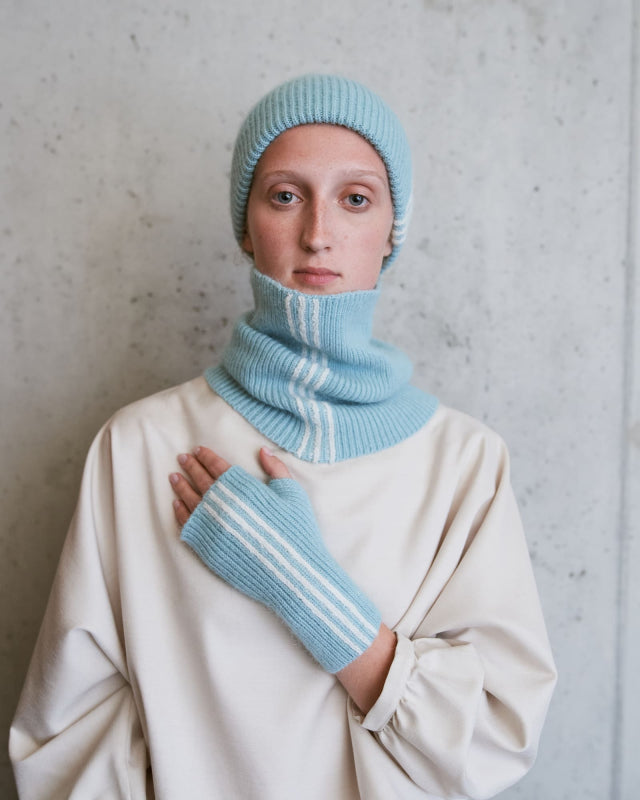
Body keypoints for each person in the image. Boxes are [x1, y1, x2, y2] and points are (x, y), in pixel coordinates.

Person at [9, 74, 557, 799]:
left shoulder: (464, 463)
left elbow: (492, 738)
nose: (318, 233)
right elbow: (64, 736)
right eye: (285, 195)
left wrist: (309, 592)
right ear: (245, 224)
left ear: (394, 229)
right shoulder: (139, 446)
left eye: (355, 198)